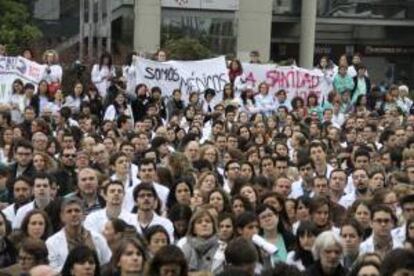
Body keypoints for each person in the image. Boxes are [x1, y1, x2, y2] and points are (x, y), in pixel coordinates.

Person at [46, 197, 111, 271]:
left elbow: (107, 263)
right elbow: (53, 270)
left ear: (83, 215)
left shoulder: (98, 238)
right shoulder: (52, 242)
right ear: (62, 216)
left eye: (77, 211)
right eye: (69, 211)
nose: (73, 214)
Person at [178, 209, 221, 273]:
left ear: (213, 226)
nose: (204, 224)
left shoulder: (222, 247)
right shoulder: (186, 248)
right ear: (194, 229)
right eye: (199, 222)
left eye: (208, 221)